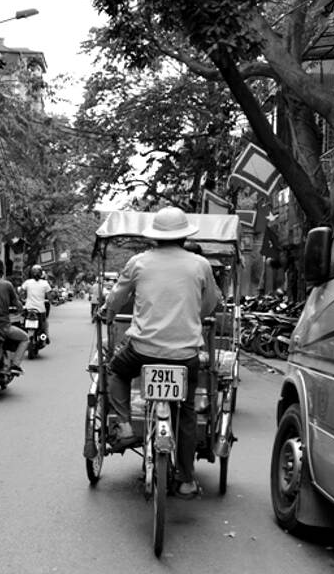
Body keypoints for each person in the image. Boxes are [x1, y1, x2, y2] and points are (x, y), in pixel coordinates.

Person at [98, 206, 221, 499]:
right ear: (182, 236)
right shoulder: (200, 264)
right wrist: (195, 317)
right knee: (187, 412)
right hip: (185, 354)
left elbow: (117, 296)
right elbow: (210, 303)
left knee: (116, 370)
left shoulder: (138, 262)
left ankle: (126, 425)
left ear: (154, 237)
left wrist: (109, 312)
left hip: (143, 351)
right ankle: (188, 479)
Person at [19, 264, 53, 346]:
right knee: (44, 324)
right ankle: (46, 337)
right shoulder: (45, 283)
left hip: (28, 308)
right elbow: (50, 297)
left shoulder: (27, 282)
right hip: (40, 309)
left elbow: (20, 292)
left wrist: (23, 298)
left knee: (23, 322)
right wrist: (51, 301)